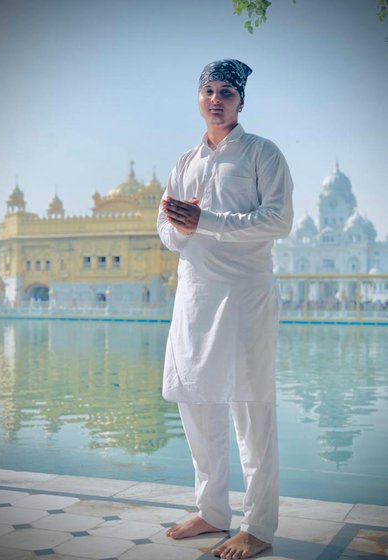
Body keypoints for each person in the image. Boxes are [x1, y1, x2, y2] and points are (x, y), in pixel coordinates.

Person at [157, 59, 293, 559]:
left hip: (243, 298)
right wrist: (182, 227)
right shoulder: (185, 161)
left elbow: (278, 220)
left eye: (227, 92)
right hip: (194, 295)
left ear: (241, 101)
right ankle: (212, 511)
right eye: (209, 90)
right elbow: (167, 231)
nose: (217, 99)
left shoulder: (262, 153)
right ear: (198, 97)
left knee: (251, 409)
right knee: (197, 403)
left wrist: (206, 219)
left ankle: (258, 525)